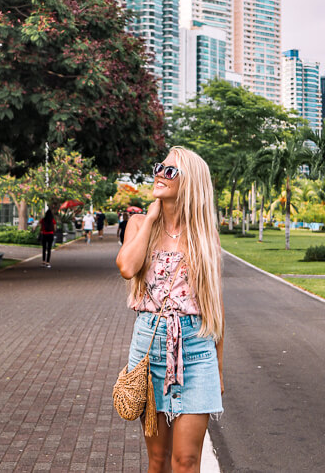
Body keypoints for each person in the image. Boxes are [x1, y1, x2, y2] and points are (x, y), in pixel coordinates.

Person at [116, 146, 224, 473]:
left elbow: (215, 306)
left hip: (196, 349)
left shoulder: (203, 235)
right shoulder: (139, 224)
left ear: (189, 182)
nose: (160, 175)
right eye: (158, 168)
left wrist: (219, 367)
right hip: (150, 348)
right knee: (158, 460)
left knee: (186, 461)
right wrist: (150, 217)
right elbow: (126, 267)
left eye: (170, 171)